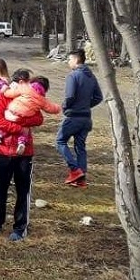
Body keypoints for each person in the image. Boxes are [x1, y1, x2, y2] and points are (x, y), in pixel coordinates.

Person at [0, 71, 46, 241]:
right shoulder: (1, 97)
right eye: (27, 83)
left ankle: (20, 227)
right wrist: (20, 128)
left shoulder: (30, 99)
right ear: (20, 82)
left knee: (23, 190)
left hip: (24, 152)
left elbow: (38, 119)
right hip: (4, 150)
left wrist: (18, 119)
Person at [57, 48, 104, 188]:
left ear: (76, 60)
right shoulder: (91, 76)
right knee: (80, 147)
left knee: (60, 141)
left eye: (70, 59)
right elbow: (99, 97)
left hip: (73, 117)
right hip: (86, 118)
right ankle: (81, 179)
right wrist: (86, 105)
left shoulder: (73, 76)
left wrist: (65, 107)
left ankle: (75, 170)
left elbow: (70, 97)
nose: (68, 62)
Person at [0, 78, 61, 153]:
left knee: (8, 117)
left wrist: (5, 92)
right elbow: (51, 108)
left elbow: (39, 120)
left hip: (13, 109)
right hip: (26, 114)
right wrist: (59, 108)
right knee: (25, 129)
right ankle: (22, 142)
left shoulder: (25, 89)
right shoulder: (41, 99)